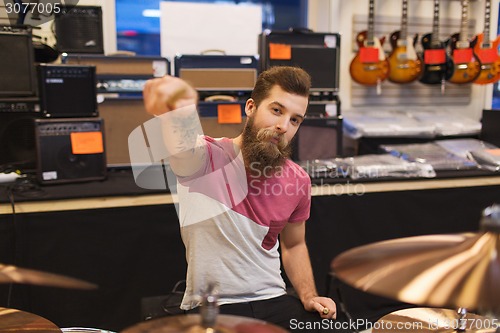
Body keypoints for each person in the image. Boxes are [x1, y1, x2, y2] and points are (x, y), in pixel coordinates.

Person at [142, 66, 337, 331]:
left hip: (274, 299)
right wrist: (180, 108)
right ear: (250, 107)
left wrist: (309, 296)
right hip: (214, 305)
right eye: (277, 110)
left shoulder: (298, 180)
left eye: (295, 120)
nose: (283, 126)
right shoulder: (204, 157)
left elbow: (294, 245)